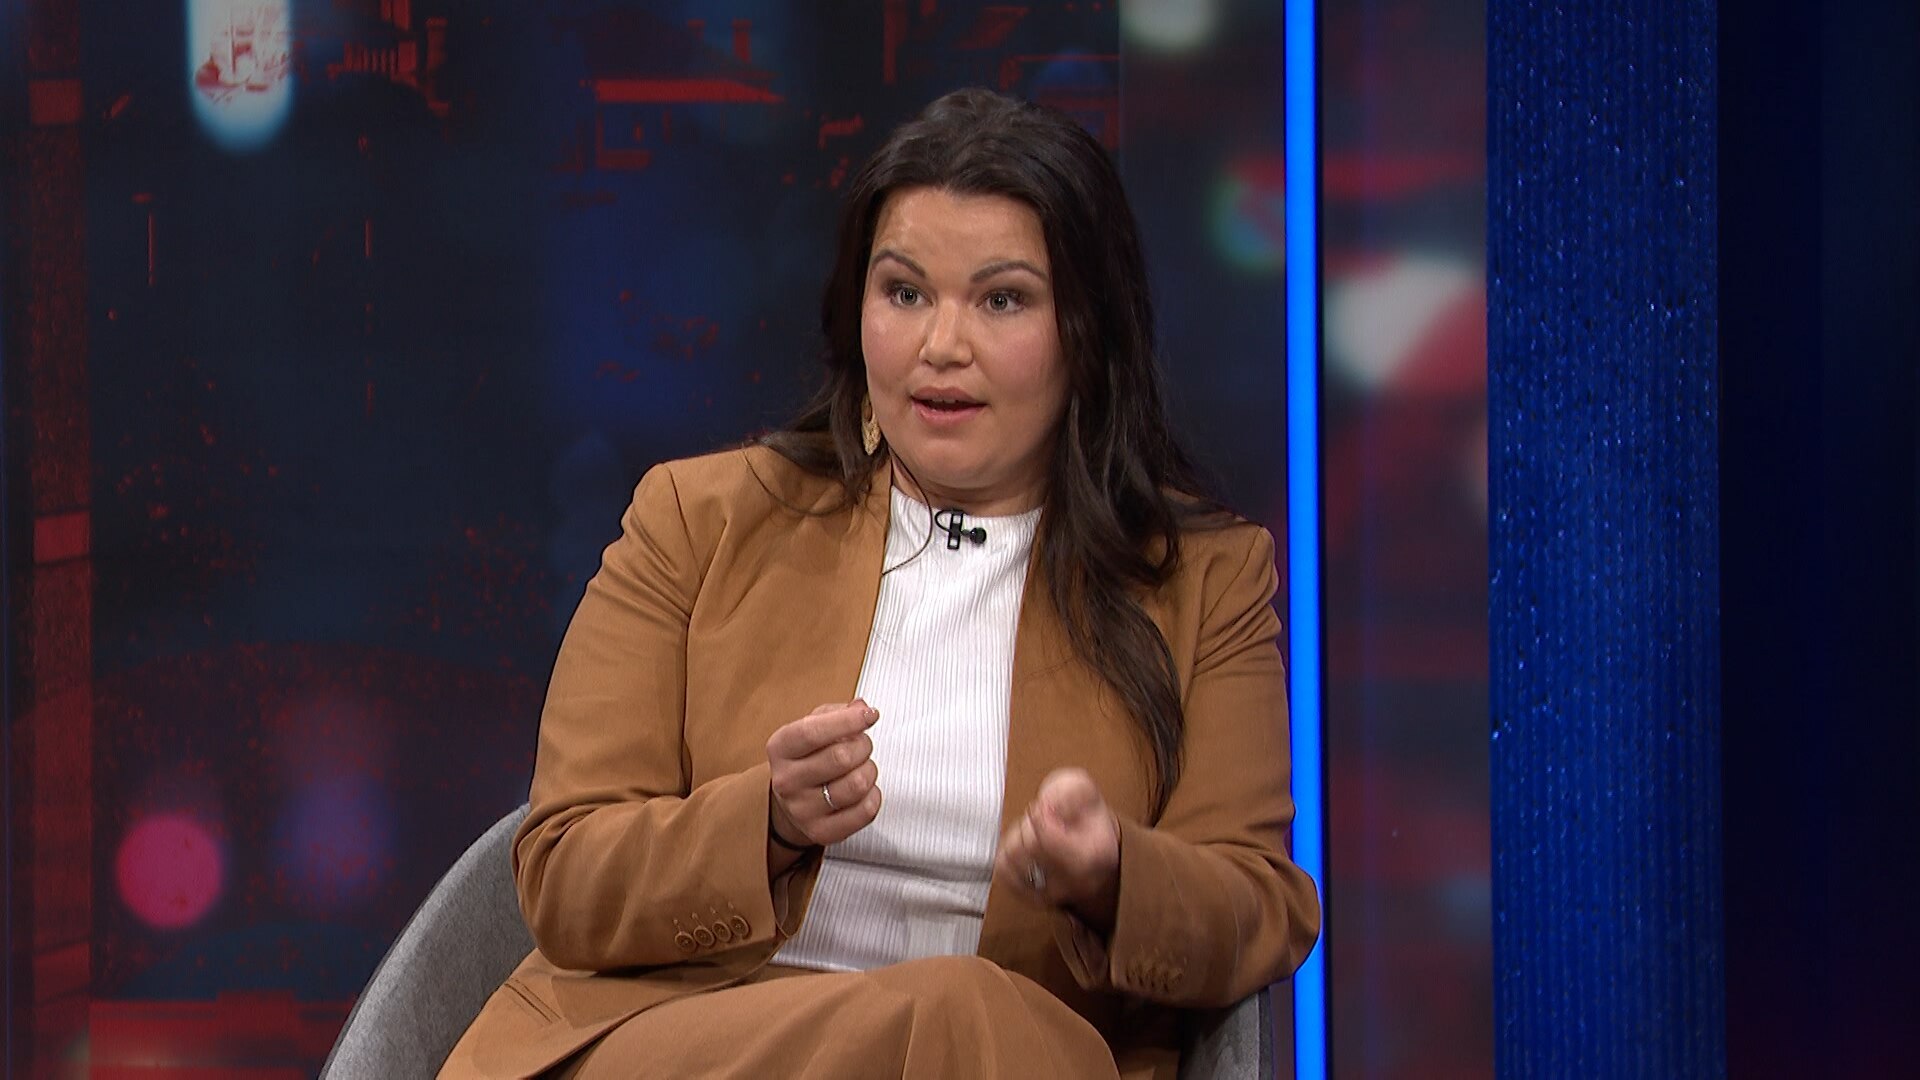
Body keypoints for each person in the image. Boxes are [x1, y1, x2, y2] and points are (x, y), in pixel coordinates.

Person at [440, 87, 1319, 1080]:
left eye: (1002, 299)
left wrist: (1116, 878)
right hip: (695, 1042)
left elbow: (1258, 908)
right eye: (904, 293)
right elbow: (563, 872)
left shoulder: (1204, 579)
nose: (942, 345)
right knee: (955, 1015)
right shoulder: (700, 520)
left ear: (1087, 332)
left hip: (999, 1051)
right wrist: (763, 822)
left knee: (963, 1017)